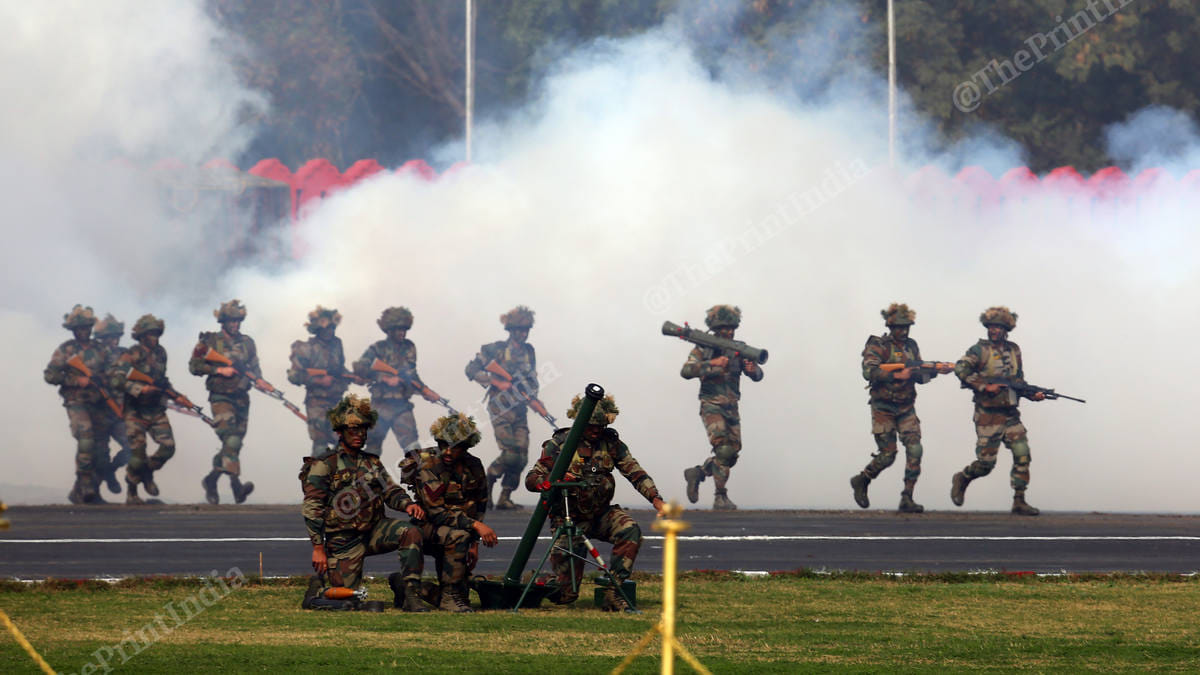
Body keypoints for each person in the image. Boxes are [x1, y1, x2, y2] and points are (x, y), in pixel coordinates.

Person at [524, 394, 665, 612]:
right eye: (591, 425)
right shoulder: (560, 444)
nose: (596, 430)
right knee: (566, 594)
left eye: (600, 425)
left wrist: (655, 499)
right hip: (569, 521)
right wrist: (554, 481)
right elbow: (532, 479)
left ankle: (614, 591)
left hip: (601, 515)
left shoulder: (611, 443)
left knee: (630, 530)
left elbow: (634, 472)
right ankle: (535, 582)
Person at [300, 394, 429, 612]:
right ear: (340, 432)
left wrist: (407, 504)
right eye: (353, 430)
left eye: (363, 430)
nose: (359, 435)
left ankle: (410, 594)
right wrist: (318, 548)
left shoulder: (372, 462)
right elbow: (312, 508)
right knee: (347, 600)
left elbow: (390, 490)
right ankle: (318, 585)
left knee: (410, 532)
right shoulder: (325, 465)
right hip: (343, 540)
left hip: (374, 530)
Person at [850, 303, 952, 513]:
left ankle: (907, 497)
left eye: (906, 327)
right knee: (888, 455)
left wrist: (934, 371)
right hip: (883, 408)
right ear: (890, 326)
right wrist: (896, 375)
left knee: (915, 449)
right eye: (899, 327)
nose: (903, 331)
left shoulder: (911, 346)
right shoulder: (878, 344)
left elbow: (918, 375)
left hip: (906, 407)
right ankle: (863, 479)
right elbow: (868, 371)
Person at [950, 306, 1046, 516]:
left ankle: (1019, 500)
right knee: (986, 464)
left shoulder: (1014, 350)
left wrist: (1032, 394)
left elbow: (1018, 380)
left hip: (1010, 414)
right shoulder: (979, 350)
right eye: (991, 327)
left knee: (1022, 453)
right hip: (988, 415)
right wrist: (984, 386)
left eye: (998, 327)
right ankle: (963, 477)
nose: (993, 331)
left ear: (1006, 330)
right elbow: (960, 369)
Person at [399, 413, 497, 612]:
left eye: (455, 446)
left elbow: (479, 504)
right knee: (458, 536)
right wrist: (476, 527)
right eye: (444, 444)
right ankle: (448, 596)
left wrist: (474, 542)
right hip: (427, 527)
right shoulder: (427, 464)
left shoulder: (474, 465)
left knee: (464, 599)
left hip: (460, 529)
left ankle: (408, 588)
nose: (448, 452)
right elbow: (437, 512)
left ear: (466, 447)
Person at [681, 305, 764, 510]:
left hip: (732, 406)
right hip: (711, 404)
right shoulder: (703, 348)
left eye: (731, 327)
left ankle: (698, 473)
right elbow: (687, 370)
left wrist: (752, 370)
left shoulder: (739, 349)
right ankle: (720, 496)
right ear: (716, 327)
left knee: (731, 455)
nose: (727, 331)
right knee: (724, 450)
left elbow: (758, 375)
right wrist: (713, 364)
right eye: (723, 327)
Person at [465, 305, 538, 510]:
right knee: (510, 453)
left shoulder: (528, 352)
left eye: (526, 330)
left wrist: (533, 398)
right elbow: (471, 369)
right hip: (500, 407)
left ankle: (505, 497)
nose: (523, 334)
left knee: (522, 456)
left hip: (520, 409)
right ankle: (488, 481)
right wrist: (494, 382)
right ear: (511, 331)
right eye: (519, 330)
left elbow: (533, 379)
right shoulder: (494, 349)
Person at [189, 299, 260, 505]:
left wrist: (259, 381)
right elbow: (194, 366)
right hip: (221, 397)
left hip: (241, 398)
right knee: (231, 440)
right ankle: (236, 486)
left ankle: (211, 480)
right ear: (223, 321)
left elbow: (255, 368)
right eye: (231, 321)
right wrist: (218, 370)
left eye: (238, 320)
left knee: (233, 444)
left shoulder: (248, 342)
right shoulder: (210, 341)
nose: (235, 324)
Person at [352, 307, 440, 460]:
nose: (402, 333)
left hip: (401, 405)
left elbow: (413, 376)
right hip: (380, 405)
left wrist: (426, 391)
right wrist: (383, 378)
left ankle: (420, 481)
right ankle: (365, 482)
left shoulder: (409, 347)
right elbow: (360, 368)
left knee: (413, 448)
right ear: (389, 330)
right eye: (398, 329)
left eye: (404, 329)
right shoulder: (378, 348)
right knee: (373, 447)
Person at [44, 305, 109, 504]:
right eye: (79, 328)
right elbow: (50, 375)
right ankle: (86, 483)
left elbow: (114, 373)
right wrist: (75, 381)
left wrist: (104, 379)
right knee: (86, 438)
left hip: (98, 402)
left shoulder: (100, 350)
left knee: (101, 448)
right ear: (74, 330)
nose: (83, 331)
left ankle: (83, 490)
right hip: (76, 401)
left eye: (86, 327)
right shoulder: (66, 350)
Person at [109, 315, 176, 505]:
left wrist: (174, 394)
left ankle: (147, 471)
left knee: (168, 448)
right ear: (142, 336)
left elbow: (161, 379)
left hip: (155, 409)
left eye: (156, 333)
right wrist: (139, 389)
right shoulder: (131, 354)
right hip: (135, 411)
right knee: (137, 454)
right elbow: (116, 380)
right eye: (150, 334)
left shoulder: (161, 353)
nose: (154, 337)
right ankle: (132, 490)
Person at [287, 306, 351, 458]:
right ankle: (316, 479)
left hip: (336, 401)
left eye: (332, 328)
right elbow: (294, 376)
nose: (330, 332)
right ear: (318, 330)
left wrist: (353, 376)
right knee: (320, 444)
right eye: (326, 329)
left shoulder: (337, 344)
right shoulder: (306, 348)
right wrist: (319, 381)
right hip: (316, 402)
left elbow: (340, 368)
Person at [92, 313, 132, 496]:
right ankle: (91, 493)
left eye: (116, 337)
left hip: (119, 410)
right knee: (99, 455)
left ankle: (111, 470)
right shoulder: (92, 356)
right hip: (98, 411)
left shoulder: (125, 354)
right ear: (102, 339)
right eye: (110, 337)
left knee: (132, 446)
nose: (114, 341)